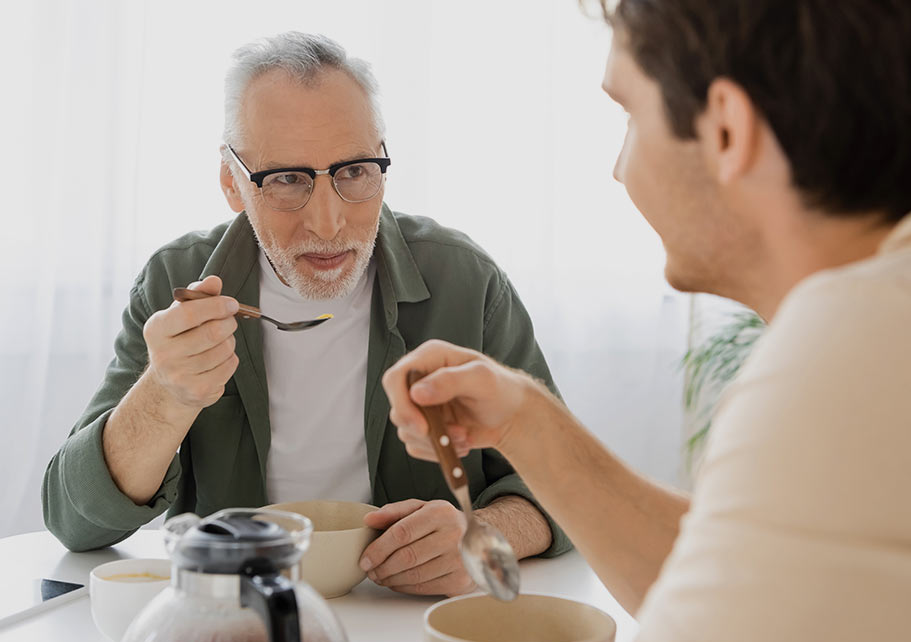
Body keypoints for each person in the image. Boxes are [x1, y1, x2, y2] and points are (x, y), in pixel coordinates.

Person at [383, 1, 911, 642]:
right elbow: (746, 570)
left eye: (631, 116)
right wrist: (526, 423)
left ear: (728, 131)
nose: (620, 169)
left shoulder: (854, 354)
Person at [42, 31, 569, 596]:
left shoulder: (465, 281)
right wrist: (164, 397)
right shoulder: (179, 285)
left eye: (354, 171)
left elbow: (566, 485)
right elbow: (76, 522)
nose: (327, 222)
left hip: (410, 618)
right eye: (287, 179)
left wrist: (484, 532)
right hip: (236, 615)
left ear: (383, 164)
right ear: (231, 182)